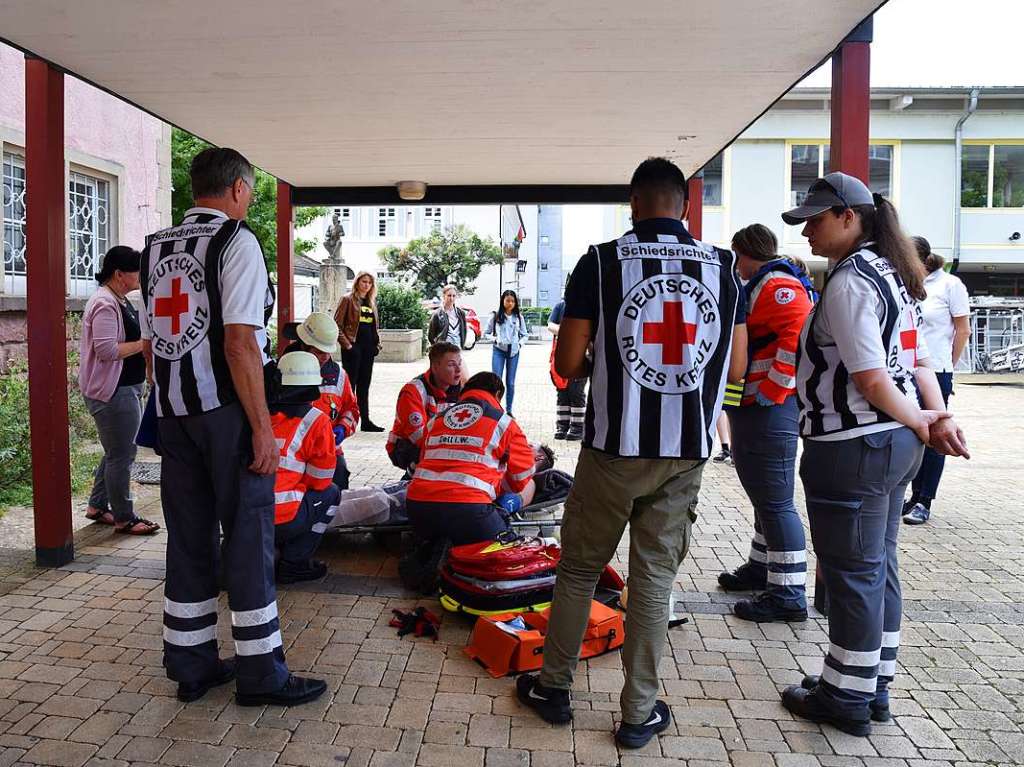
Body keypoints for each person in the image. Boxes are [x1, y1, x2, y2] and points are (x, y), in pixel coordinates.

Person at [516, 157, 747, 749]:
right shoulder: (724, 267)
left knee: (579, 569)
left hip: (613, 449)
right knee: (652, 582)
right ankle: (638, 713)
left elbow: (567, 366)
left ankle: (554, 688)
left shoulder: (599, 261)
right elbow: (738, 368)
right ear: (685, 207)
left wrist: (606, 363)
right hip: (686, 453)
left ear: (633, 205)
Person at [779, 172, 969, 736]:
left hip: (853, 444)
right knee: (878, 566)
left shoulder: (852, 281)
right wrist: (934, 419)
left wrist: (921, 420)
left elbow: (868, 375)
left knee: (853, 574)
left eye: (815, 219)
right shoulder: (896, 276)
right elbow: (918, 366)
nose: (807, 230)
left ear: (848, 216)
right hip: (892, 445)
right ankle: (869, 681)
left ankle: (846, 699)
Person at [140, 147, 325, 707]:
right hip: (227, 414)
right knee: (248, 537)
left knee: (189, 537)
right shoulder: (235, 241)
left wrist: (170, 405)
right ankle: (261, 672)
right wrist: (263, 428)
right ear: (240, 190)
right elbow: (240, 341)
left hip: (173, 414)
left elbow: (156, 344)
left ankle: (190, 664)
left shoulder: (154, 249)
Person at [718, 224, 815, 622]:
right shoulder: (764, 282)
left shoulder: (776, 285)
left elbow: (798, 335)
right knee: (764, 495)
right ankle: (763, 567)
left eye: (735, 254)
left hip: (769, 406)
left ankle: (788, 592)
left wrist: (773, 391)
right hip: (756, 403)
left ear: (744, 251)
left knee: (775, 501)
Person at [80, 246, 160, 535]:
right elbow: (106, 350)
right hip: (113, 391)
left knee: (116, 450)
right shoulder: (104, 303)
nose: (140, 276)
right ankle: (125, 517)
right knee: (123, 454)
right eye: (136, 271)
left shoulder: (120, 299)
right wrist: (145, 344)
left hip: (126, 388)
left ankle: (98, 506)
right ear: (119, 273)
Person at [405, 371, 536, 545]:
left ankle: (437, 550)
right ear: (497, 395)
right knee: (502, 550)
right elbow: (521, 477)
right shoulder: (504, 423)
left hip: (418, 509)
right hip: (469, 510)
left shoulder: (437, 419)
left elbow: (424, 459)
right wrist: (496, 486)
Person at [903, 236, 970, 525]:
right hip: (906, 369)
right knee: (911, 432)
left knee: (935, 434)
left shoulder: (949, 285)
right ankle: (911, 495)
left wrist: (948, 367)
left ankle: (924, 499)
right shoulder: (906, 282)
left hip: (936, 369)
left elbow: (963, 330)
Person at [271, 352, 341, 584]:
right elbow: (320, 480)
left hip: (247, 514)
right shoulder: (315, 420)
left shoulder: (256, 412)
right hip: (282, 518)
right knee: (332, 493)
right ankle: (295, 563)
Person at [282, 312, 359, 489]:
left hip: (327, 447)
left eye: (328, 351)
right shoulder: (283, 371)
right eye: (318, 351)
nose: (324, 357)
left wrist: (343, 428)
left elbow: (351, 409)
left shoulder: (339, 375)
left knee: (338, 475)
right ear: (303, 345)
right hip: (290, 451)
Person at [387, 342, 464, 472]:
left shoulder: (462, 390)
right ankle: (414, 474)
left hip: (442, 444)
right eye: (451, 365)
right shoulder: (413, 391)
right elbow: (418, 437)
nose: (458, 369)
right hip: (406, 448)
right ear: (435, 367)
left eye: (460, 363)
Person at [334, 271, 384, 432]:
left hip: (368, 349)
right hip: (352, 348)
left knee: (364, 385)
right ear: (357, 282)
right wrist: (348, 346)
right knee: (350, 386)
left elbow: (374, 328)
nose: (367, 285)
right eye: (364, 281)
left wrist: (377, 346)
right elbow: (336, 325)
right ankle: (345, 420)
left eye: (369, 282)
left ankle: (366, 421)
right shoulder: (347, 299)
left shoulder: (371, 302)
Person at [548, 298, 585, 441]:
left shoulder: (587, 305)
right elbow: (550, 325)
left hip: (581, 354)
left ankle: (577, 427)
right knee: (562, 391)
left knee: (576, 392)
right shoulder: (560, 305)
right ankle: (562, 426)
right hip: (561, 354)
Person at [487, 290, 529, 415]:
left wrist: (520, 344)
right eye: (507, 301)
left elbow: (525, 334)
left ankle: (509, 410)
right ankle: (495, 407)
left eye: (512, 301)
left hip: (513, 352)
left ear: (515, 303)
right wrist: (495, 340)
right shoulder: (495, 316)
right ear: (503, 301)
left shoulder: (518, 317)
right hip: (498, 351)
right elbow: (486, 333)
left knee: (510, 382)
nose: (510, 303)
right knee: (496, 380)